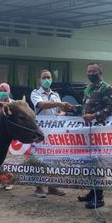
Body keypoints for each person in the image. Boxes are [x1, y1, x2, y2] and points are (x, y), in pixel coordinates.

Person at [30, 69, 75, 198]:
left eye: (49, 77)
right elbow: (42, 105)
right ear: (39, 79)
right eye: (44, 77)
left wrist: (62, 112)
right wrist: (60, 104)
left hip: (54, 132)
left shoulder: (55, 94)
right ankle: (38, 187)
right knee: (38, 159)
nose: (47, 80)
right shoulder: (35, 93)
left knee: (53, 159)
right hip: (40, 131)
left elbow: (62, 111)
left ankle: (52, 186)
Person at [78, 62, 112, 209]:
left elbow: (110, 108)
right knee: (90, 162)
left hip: (100, 130)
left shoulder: (106, 88)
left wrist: (94, 115)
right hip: (88, 131)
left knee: (98, 163)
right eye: (89, 71)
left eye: (94, 71)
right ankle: (92, 192)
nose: (91, 74)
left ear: (100, 73)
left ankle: (99, 197)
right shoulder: (87, 89)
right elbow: (84, 106)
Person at [0, 82, 14, 190]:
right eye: (1, 90)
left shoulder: (13, 104)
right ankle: (1, 182)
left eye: (5, 91)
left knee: (8, 159)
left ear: (9, 91)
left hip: (9, 135)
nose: (3, 93)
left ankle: (9, 182)